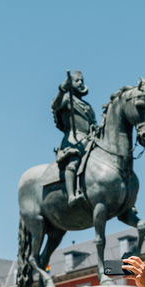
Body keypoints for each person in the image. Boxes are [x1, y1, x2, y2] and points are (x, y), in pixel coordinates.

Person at [51, 70, 98, 206]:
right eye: (77, 81)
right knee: (74, 161)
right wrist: (62, 89)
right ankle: (71, 195)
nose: (80, 83)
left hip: (89, 140)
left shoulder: (88, 107)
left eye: (82, 81)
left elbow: (93, 124)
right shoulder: (66, 99)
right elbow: (54, 105)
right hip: (73, 139)